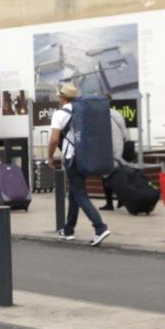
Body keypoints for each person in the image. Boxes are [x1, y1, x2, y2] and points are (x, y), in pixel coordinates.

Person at [47, 84, 111, 246]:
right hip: (84, 156)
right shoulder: (82, 111)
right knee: (74, 193)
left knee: (80, 194)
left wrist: (49, 157)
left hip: (71, 158)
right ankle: (68, 230)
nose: (58, 99)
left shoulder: (60, 114)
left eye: (59, 96)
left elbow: (54, 139)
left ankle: (100, 227)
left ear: (63, 97)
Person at [100, 94, 129, 211]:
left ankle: (109, 203)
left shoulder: (98, 116)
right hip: (118, 149)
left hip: (106, 149)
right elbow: (125, 135)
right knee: (117, 174)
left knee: (105, 176)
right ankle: (121, 199)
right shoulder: (117, 114)